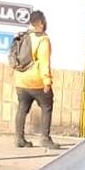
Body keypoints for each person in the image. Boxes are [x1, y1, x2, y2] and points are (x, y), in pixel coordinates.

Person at [14, 10, 60, 151]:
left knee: (22, 107)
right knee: (47, 106)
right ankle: (45, 138)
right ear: (40, 23)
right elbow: (44, 62)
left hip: (20, 80)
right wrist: (47, 82)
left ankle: (19, 138)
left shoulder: (23, 37)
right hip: (36, 81)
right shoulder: (43, 40)